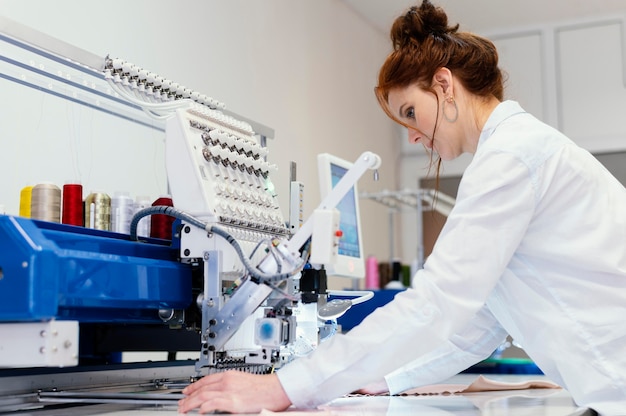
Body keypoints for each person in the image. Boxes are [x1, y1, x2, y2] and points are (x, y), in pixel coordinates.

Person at [178, 1, 626, 414]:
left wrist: (283, 388)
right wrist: (389, 377)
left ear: (444, 85)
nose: (412, 135)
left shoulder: (511, 157)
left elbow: (437, 303)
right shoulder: (519, 151)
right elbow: (482, 325)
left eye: (410, 112)